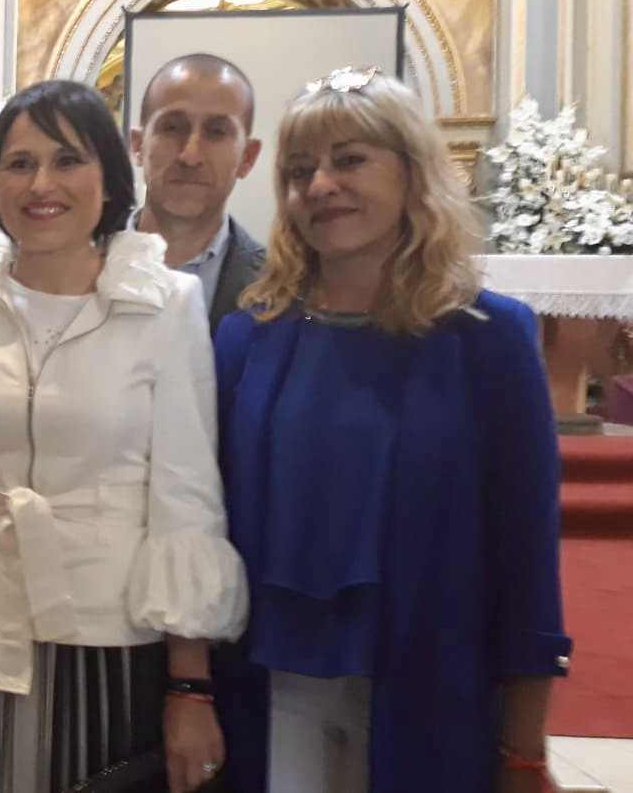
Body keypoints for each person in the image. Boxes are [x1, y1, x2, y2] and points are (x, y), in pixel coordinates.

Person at [0, 79, 248, 793]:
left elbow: (185, 500)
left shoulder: (163, 304)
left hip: (107, 632)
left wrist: (190, 688)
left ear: (110, 176)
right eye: (18, 164)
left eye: (66, 160)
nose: (41, 183)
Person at [212, 68, 571, 793]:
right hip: (267, 680)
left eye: (350, 160)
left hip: (429, 686)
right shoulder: (246, 339)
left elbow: (526, 550)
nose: (319, 186)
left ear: (413, 173)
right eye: (299, 170)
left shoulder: (489, 339)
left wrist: (524, 744)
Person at [130, 53, 267, 330]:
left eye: (216, 132)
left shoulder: (280, 289)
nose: (190, 156)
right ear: (138, 146)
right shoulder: (77, 264)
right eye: (172, 128)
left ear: (248, 157)